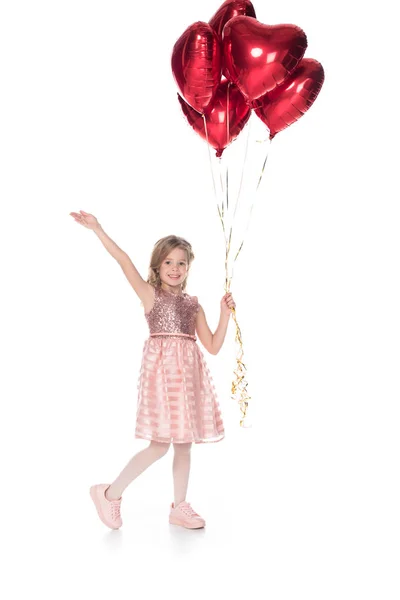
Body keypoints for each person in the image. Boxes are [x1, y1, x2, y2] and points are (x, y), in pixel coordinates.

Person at [69, 209, 235, 530]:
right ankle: (110, 493)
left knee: (184, 444)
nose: (175, 268)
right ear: (158, 265)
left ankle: (180, 505)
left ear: (189, 267)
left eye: (181, 262)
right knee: (160, 444)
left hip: (188, 378)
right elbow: (123, 261)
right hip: (162, 378)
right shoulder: (150, 295)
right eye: (169, 262)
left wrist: (224, 313)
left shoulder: (193, 304)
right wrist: (98, 229)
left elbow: (212, 345)